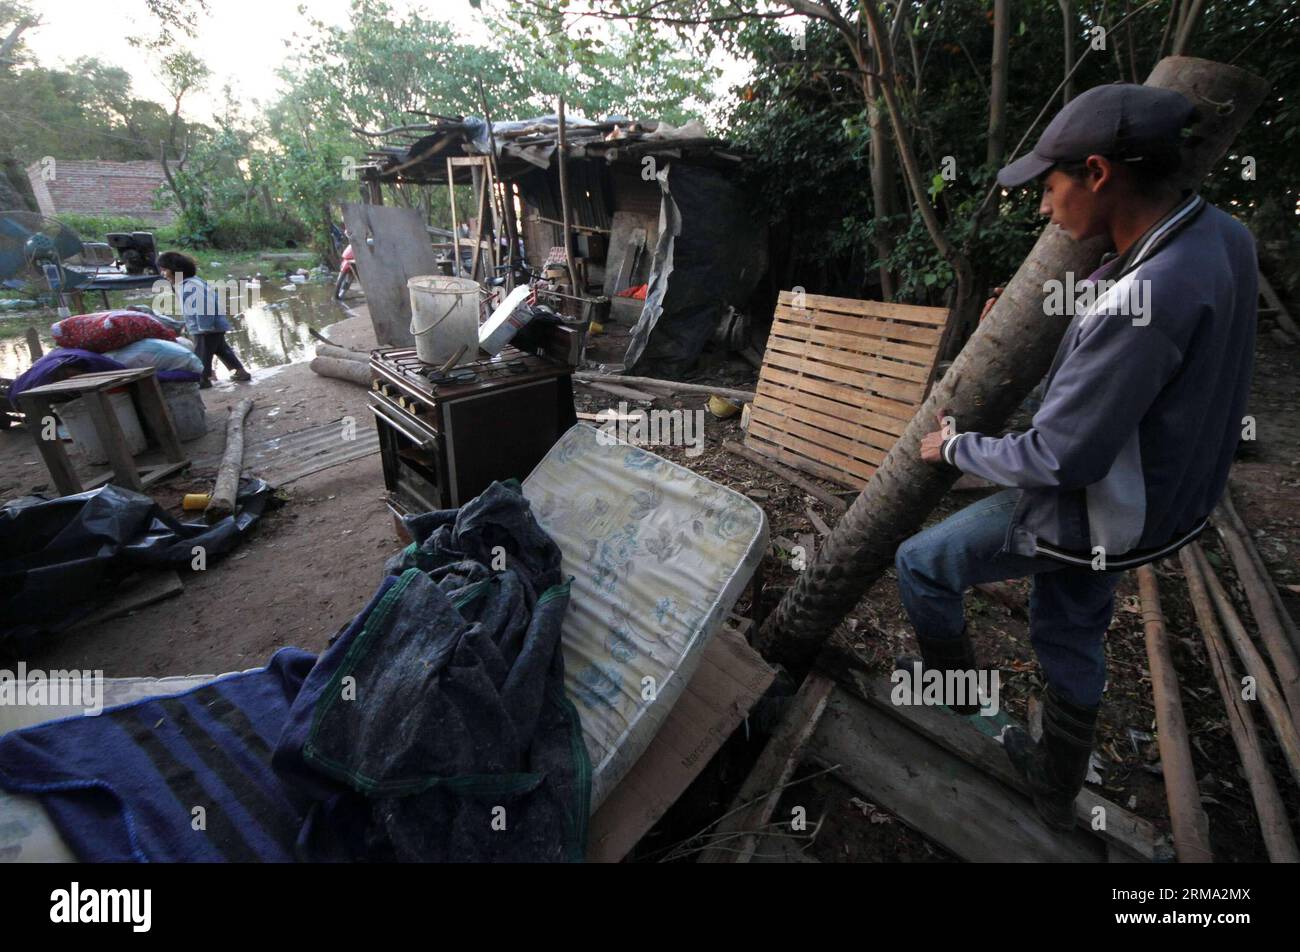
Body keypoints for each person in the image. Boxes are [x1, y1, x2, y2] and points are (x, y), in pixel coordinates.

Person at [894, 83, 1257, 830]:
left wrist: (957, 446)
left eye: (1051, 186)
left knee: (922, 563)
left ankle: (960, 701)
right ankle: (1055, 779)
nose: (1044, 207)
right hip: (1173, 493)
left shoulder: (1138, 304)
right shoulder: (1222, 236)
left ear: (1097, 174)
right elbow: (1142, 333)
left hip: (1110, 502)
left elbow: (1059, 458)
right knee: (1072, 618)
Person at [157, 251, 252, 388]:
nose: (163, 274)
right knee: (221, 349)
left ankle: (202, 380)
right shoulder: (188, 283)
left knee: (201, 355)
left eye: (165, 270)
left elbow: (204, 307)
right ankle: (240, 372)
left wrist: (204, 327)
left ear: (176, 270)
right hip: (214, 326)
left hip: (207, 328)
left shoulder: (190, 286)